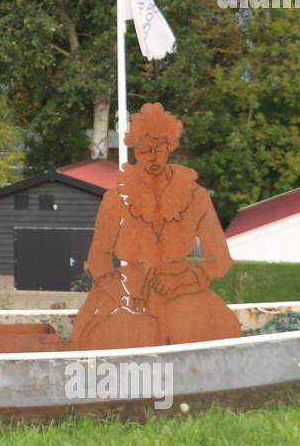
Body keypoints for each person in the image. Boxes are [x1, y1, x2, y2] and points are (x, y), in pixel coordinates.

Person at [70, 103, 241, 350]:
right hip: (128, 294)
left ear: (170, 146)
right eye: (144, 150)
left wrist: (184, 279)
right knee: (115, 340)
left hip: (183, 291)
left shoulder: (195, 196)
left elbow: (221, 260)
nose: (152, 157)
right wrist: (122, 292)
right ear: (134, 150)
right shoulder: (116, 198)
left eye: (159, 149)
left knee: (210, 338)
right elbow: (98, 258)